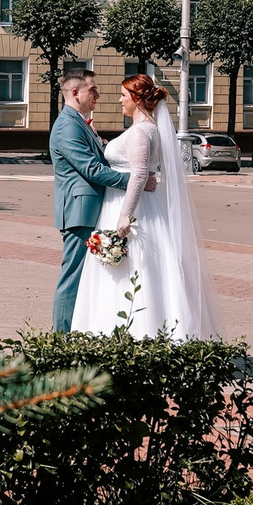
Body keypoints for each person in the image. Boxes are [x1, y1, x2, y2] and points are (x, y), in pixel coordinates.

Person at [65, 74, 225, 340]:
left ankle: (135, 334)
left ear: (137, 100)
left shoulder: (141, 131)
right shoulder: (146, 129)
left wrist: (125, 215)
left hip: (132, 207)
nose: (119, 100)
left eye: (123, 96)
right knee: (137, 270)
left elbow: (139, 175)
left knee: (132, 271)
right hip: (137, 204)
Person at [48, 72, 133, 330]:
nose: (98, 95)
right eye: (93, 90)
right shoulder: (67, 125)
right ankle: (60, 338)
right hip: (79, 210)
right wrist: (134, 180)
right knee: (73, 276)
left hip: (87, 208)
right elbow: (91, 169)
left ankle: (77, 330)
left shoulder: (79, 122)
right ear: (76, 93)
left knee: (85, 276)